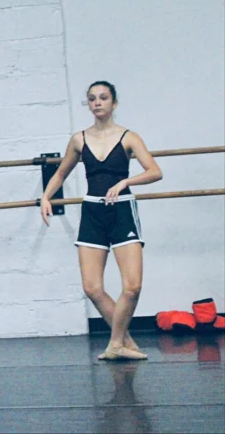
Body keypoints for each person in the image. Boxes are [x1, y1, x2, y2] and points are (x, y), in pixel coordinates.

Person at [40, 80, 162, 361]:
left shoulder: (129, 137)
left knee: (132, 286)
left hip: (122, 210)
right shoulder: (78, 139)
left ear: (114, 103)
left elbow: (155, 171)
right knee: (92, 287)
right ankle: (122, 340)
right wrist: (46, 198)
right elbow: (60, 174)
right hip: (93, 212)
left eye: (103, 98)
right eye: (92, 98)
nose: (97, 103)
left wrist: (125, 182)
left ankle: (116, 342)